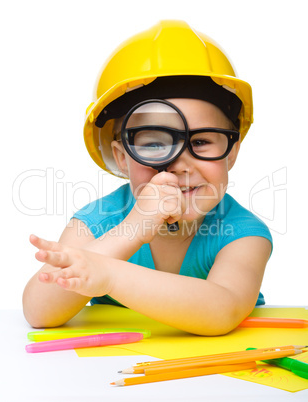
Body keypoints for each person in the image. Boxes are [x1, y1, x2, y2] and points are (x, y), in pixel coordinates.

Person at [23, 20, 272, 335]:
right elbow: (38, 311)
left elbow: (223, 310)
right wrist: (132, 229)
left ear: (231, 152)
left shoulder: (242, 234)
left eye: (200, 142)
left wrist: (108, 274)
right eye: (155, 144)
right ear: (123, 157)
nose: (181, 165)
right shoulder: (97, 222)